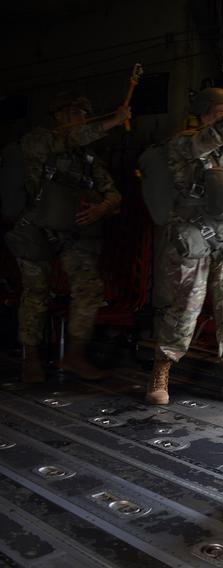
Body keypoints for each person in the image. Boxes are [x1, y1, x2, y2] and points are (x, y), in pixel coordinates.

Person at [7, 92, 130, 383]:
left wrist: (102, 207)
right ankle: (31, 357)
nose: (82, 118)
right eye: (75, 112)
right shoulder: (38, 140)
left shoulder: (86, 158)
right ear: (58, 115)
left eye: (85, 113)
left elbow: (114, 194)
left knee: (89, 289)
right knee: (36, 293)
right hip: (35, 228)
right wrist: (112, 122)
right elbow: (66, 139)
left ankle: (74, 355)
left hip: (72, 232)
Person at [145, 87, 223, 406]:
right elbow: (208, 139)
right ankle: (160, 375)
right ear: (203, 115)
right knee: (185, 307)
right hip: (192, 232)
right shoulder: (185, 143)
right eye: (221, 113)